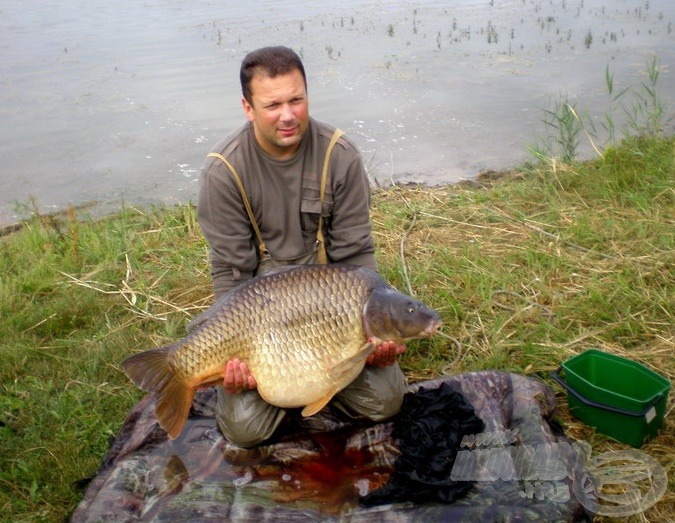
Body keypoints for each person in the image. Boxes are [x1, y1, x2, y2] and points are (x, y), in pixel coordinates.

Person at [197, 46, 406, 448]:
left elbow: (357, 258)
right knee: (245, 431)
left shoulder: (338, 156)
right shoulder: (223, 173)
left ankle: (314, 386)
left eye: (296, 99)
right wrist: (233, 357)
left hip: (331, 315)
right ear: (248, 107)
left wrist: (374, 336)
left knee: (387, 401)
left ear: (307, 94)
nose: (288, 114)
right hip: (260, 327)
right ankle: (290, 388)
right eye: (272, 104)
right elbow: (230, 274)